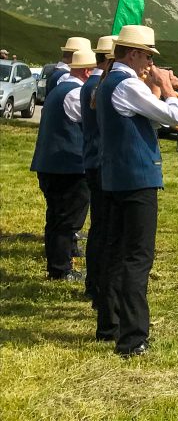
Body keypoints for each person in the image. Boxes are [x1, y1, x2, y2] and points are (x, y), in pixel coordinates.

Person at [95, 25, 178, 358]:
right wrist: (166, 87)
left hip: (118, 177)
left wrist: (156, 88)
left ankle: (111, 326)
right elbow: (173, 118)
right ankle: (132, 339)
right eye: (147, 55)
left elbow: (151, 119)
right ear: (132, 54)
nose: (149, 61)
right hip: (137, 180)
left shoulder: (111, 82)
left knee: (117, 253)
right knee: (137, 257)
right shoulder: (128, 83)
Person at [30, 47, 95, 281]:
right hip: (68, 166)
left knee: (57, 218)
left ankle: (59, 266)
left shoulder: (61, 89)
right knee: (68, 220)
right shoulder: (75, 93)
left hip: (52, 164)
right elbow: (91, 122)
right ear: (87, 71)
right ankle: (61, 269)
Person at [81, 36, 116, 301]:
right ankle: (97, 285)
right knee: (104, 229)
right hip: (101, 161)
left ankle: (94, 283)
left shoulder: (94, 83)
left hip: (94, 159)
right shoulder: (102, 85)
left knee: (99, 228)